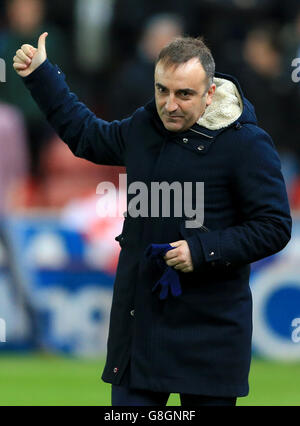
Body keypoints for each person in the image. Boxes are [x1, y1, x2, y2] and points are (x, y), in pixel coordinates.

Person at [13, 33, 292, 406]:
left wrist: (202, 250)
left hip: (210, 333)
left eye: (184, 94)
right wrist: (42, 75)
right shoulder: (146, 125)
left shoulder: (247, 143)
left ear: (210, 94)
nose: (169, 105)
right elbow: (87, 136)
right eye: (162, 90)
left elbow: (274, 225)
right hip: (141, 325)